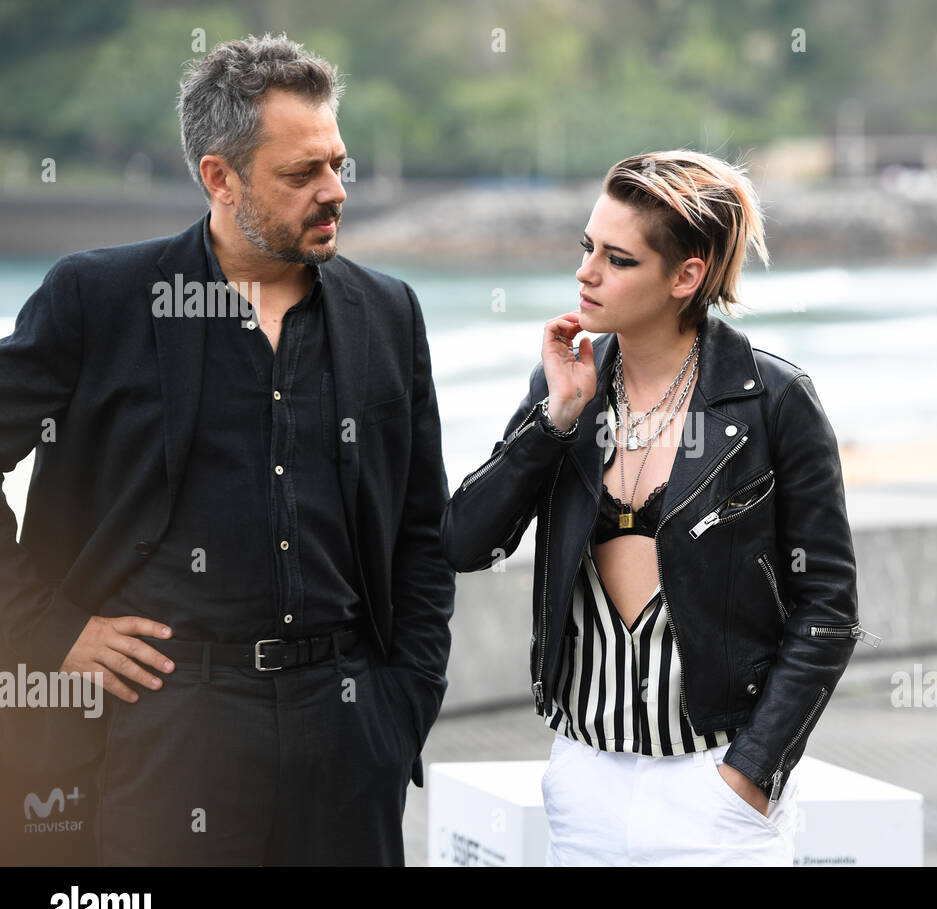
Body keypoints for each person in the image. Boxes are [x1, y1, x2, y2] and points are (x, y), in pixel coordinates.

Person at [0, 34, 455, 865]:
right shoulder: (95, 298)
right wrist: (47, 627)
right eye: (300, 175)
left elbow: (422, 530)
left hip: (350, 726)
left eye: (337, 165)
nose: (333, 193)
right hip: (164, 728)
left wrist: (405, 702)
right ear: (219, 177)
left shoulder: (390, 313)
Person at [440, 149, 865, 865]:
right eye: (586, 248)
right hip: (585, 778)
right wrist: (554, 421)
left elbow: (829, 607)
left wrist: (753, 770)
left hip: (718, 786)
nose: (587, 272)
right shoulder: (565, 390)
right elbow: (464, 542)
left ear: (687, 275)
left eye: (618, 258)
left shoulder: (774, 402)